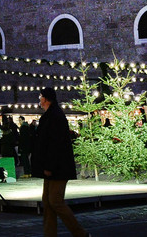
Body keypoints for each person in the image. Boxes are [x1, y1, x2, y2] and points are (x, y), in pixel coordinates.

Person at [31, 87, 90, 237]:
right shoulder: (50, 115)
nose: (39, 98)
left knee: (55, 201)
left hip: (57, 167)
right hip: (51, 165)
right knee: (48, 202)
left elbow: (55, 143)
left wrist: (49, 166)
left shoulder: (55, 116)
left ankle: (81, 234)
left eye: (40, 96)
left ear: (45, 99)